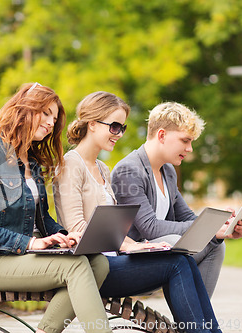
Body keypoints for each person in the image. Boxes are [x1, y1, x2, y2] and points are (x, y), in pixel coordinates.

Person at [54, 92, 223, 333]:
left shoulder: (102, 168)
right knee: (176, 261)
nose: (119, 134)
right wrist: (127, 245)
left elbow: (113, 228)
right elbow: (77, 229)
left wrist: (136, 244)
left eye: (121, 128)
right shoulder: (71, 164)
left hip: (112, 259)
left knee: (179, 257)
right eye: (114, 126)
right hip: (92, 268)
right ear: (91, 124)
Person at [0, 83, 112, 333]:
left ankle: (46, 330)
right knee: (75, 267)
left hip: (32, 254)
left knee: (99, 263)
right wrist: (31, 243)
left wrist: (67, 236)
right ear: (23, 110)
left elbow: (41, 218)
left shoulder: (32, 162)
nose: (50, 123)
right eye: (45, 113)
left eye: (54, 118)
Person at [110, 101, 242, 297]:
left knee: (215, 246)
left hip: (160, 253)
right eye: (185, 141)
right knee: (177, 242)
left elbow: (187, 218)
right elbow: (150, 228)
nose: (190, 148)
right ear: (162, 135)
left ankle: (198, 320)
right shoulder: (129, 170)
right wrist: (207, 228)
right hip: (131, 260)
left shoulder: (167, 170)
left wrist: (221, 225)